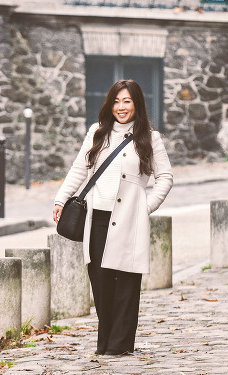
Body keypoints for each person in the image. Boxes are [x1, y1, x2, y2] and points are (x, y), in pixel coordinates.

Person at [52, 79, 174, 355]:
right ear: (110, 104)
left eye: (127, 101)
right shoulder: (97, 132)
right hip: (97, 218)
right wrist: (61, 199)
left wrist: (145, 207)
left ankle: (119, 346)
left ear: (137, 104)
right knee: (101, 282)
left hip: (129, 219)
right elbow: (78, 170)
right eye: (117, 101)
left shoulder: (150, 138)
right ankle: (104, 343)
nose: (121, 107)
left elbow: (165, 177)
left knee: (127, 284)